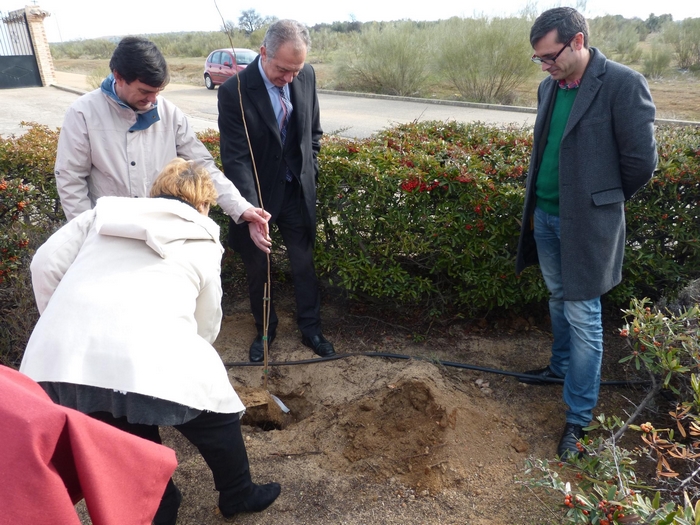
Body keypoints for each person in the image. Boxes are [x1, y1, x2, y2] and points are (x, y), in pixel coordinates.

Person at [20, 159, 281, 524]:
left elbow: (44, 265)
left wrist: (66, 322)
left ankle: (160, 503)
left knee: (120, 423)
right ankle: (238, 493)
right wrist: (194, 361)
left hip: (65, 363)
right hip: (151, 351)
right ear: (204, 204)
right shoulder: (203, 236)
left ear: (155, 192)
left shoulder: (103, 213)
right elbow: (207, 319)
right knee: (217, 416)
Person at [515, 7, 657, 458]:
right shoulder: (549, 87)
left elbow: (641, 163)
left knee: (584, 317)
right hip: (548, 218)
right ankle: (559, 368)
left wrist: (600, 202)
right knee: (557, 296)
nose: (544, 65)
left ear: (577, 42)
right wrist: (541, 205)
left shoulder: (621, 83)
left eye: (549, 55)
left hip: (589, 226)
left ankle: (578, 418)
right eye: (538, 58)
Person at [54, 35, 271, 252]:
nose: (153, 100)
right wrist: (89, 234)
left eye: (158, 91)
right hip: (109, 238)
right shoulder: (82, 113)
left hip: (163, 238)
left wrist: (241, 208)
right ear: (118, 76)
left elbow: (202, 168)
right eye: (145, 91)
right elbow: (70, 179)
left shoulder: (170, 113)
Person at [217, 19, 335, 362]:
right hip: (257, 198)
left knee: (304, 263)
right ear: (264, 52)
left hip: (296, 191)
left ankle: (311, 329)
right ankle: (265, 330)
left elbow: (312, 131)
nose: (289, 79)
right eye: (283, 70)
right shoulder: (234, 90)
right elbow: (236, 158)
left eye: (296, 71)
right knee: (259, 268)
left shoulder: (306, 75)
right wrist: (250, 211)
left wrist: (308, 165)